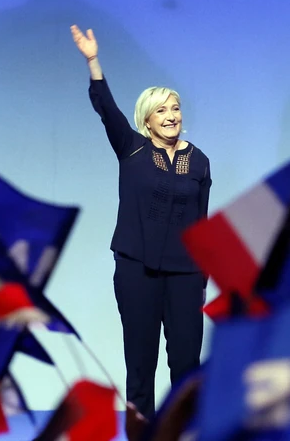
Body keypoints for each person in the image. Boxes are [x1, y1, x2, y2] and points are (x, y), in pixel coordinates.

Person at [70, 24, 211, 431]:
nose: (171, 116)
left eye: (175, 109)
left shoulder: (199, 161)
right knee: (141, 362)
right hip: (137, 271)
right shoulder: (131, 148)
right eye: (161, 111)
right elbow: (105, 107)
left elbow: (201, 221)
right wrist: (93, 61)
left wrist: (203, 275)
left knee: (186, 364)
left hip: (186, 276)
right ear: (147, 120)